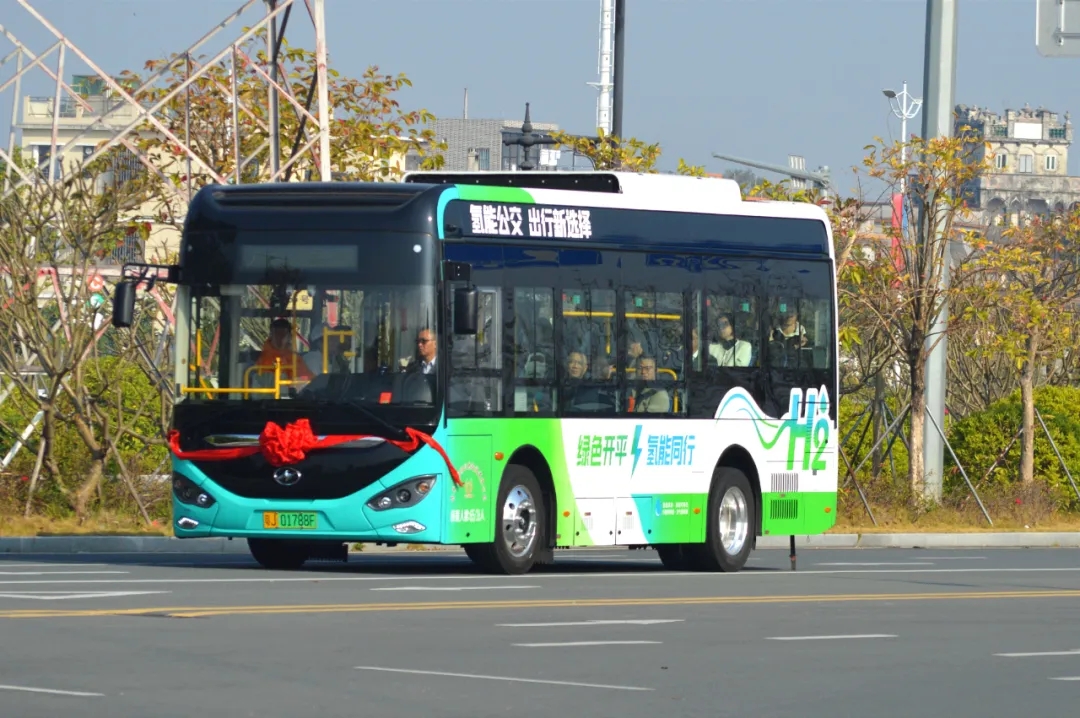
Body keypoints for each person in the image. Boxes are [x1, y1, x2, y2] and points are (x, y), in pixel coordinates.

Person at [255, 317, 313, 381]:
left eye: (283, 334)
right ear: (271, 335)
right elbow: (265, 381)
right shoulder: (265, 359)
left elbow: (308, 378)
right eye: (276, 333)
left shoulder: (295, 358)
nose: (279, 338)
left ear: (289, 337)